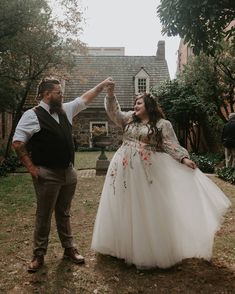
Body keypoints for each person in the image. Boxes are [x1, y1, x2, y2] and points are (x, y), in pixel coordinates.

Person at [91, 83, 231, 270]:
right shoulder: (129, 119)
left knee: (144, 207)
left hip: (145, 171)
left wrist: (183, 159)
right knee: (124, 204)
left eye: (139, 103)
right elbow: (113, 112)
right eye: (135, 103)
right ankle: (120, 246)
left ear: (148, 105)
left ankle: (145, 250)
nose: (135, 106)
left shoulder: (162, 125)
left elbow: (170, 144)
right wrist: (110, 93)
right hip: (123, 170)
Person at [12, 76, 114, 273]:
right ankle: (38, 254)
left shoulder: (65, 110)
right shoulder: (31, 115)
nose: (62, 95)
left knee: (64, 213)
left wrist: (101, 85)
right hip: (47, 174)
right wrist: (32, 169)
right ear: (47, 94)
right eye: (59, 92)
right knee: (44, 215)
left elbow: (85, 98)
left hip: (69, 172)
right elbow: (18, 142)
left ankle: (69, 249)